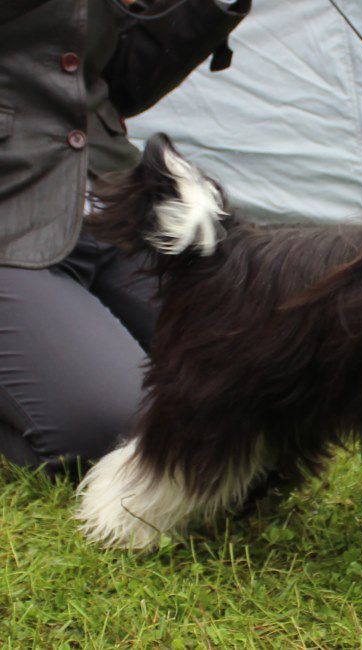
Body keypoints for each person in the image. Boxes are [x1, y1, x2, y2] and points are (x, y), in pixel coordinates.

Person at [0, 0, 251, 476]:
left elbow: (117, 83)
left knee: (246, 381)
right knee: (118, 432)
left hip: (114, 201)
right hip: (10, 211)